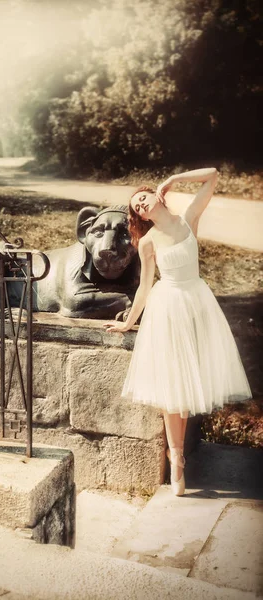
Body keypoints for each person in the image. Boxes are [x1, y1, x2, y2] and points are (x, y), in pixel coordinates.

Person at [103, 168, 252, 496]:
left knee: (187, 390)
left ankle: (178, 452)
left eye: (142, 199)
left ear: (155, 194)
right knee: (173, 390)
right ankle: (177, 459)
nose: (140, 207)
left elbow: (213, 176)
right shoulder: (148, 242)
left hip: (197, 304)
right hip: (167, 308)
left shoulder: (188, 219)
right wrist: (129, 323)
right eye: (136, 208)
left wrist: (173, 181)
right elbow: (144, 288)